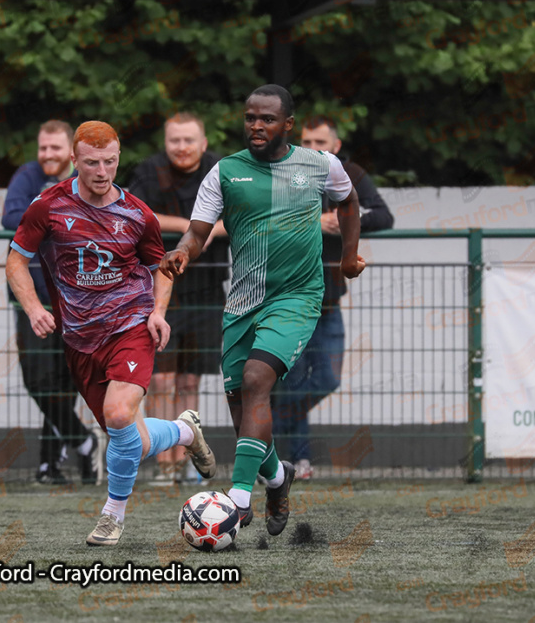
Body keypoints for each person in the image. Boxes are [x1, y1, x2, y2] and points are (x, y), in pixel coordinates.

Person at [159, 85, 365, 538]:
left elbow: (349, 202)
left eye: (267, 119)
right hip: (242, 302)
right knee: (241, 406)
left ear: (287, 125)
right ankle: (277, 478)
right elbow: (198, 232)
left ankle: (236, 498)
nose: (256, 125)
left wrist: (349, 255)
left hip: (297, 296)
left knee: (257, 381)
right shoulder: (225, 171)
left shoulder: (320, 165)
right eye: (250, 117)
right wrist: (182, 251)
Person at [6, 120, 216, 546]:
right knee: (131, 442)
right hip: (80, 339)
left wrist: (157, 313)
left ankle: (111, 517)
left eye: (109, 162)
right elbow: (15, 260)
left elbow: (163, 268)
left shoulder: (137, 214)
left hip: (130, 326)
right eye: (91, 163)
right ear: (74, 160)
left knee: (119, 417)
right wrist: (33, 308)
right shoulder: (48, 206)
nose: (102, 171)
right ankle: (185, 432)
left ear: (118, 158)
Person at [272, 116, 394, 480]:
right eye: (306, 142)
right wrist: (313, 222)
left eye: (320, 143)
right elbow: (263, 220)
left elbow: (384, 216)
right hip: (286, 296)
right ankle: (298, 462)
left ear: (335, 147)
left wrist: (338, 220)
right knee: (292, 380)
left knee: (327, 379)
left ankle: (268, 427)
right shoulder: (282, 171)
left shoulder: (350, 172)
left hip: (328, 298)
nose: (312, 149)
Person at [126, 112, 227, 485]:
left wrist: (210, 230)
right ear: (165, 143)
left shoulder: (222, 169)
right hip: (159, 290)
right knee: (163, 382)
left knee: (188, 382)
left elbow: (239, 216)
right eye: (175, 140)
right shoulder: (149, 172)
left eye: (189, 140)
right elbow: (140, 214)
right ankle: (163, 461)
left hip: (207, 289)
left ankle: (189, 457)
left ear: (203, 142)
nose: (182, 147)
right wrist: (193, 229)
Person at [2, 120, 98, 486]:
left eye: (55, 148)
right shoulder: (26, 175)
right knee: (37, 380)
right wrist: (60, 215)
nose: (47, 155)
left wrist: (45, 216)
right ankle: (83, 441)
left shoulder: (88, 175)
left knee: (64, 382)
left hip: (78, 299)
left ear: (71, 152)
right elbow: (10, 217)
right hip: (33, 300)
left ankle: (50, 465)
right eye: (43, 148)